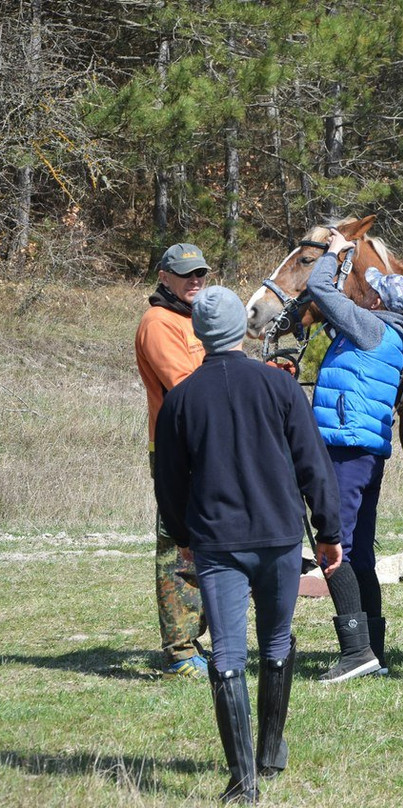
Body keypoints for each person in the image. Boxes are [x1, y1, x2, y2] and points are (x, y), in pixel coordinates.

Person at [154, 286, 344, 803]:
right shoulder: (280, 388)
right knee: (277, 642)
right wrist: (329, 533)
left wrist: (185, 538)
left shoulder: (181, 399)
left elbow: (168, 482)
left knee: (228, 655)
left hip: (216, 543)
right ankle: (270, 752)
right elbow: (314, 465)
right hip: (280, 535)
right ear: (244, 327)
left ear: (198, 332)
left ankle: (244, 781)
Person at [307, 227, 403, 682]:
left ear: (377, 303)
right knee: (360, 554)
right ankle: (374, 651)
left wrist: (334, 254)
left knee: (334, 549)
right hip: (366, 453)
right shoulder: (392, 335)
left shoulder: (371, 326)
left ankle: (356, 653)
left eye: (369, 293)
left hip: (346, 449)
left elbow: (318, 288)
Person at [134, 242, 211, 677]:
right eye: (185, 274)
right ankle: (181, 652)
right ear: (164, 277)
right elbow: (186, 386)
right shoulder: (159, 322)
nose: (194, 280)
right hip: (174, 452)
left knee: (208, 544)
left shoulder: (193, 318)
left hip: (204, 446)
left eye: (200, 273)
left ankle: (198, 640)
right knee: (179, 549)